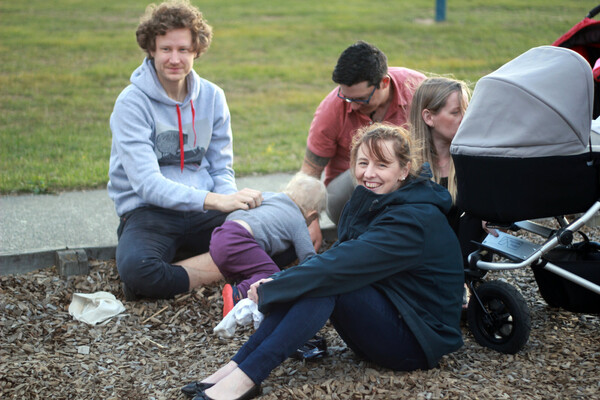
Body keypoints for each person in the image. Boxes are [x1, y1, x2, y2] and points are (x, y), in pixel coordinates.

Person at [181, 123, 464, 400]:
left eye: (382, 164)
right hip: (392, 312)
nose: (369, 173)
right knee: (318, 281)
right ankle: (235, 368)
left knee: (328, 283)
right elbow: (336, 257)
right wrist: (280, 283)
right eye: (363, 162)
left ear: (403, 170)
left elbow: (341, 266)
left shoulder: (413, 220)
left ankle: (244, 380)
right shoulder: (372, 199)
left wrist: (273, 285)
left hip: (417, 340)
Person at [107, 0, 263, 300]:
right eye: (166, 49)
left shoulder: (213, 97)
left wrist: (231, 205)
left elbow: (221, 167)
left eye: (183, 49)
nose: (174, 59)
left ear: (196, 50)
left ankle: (181, 272)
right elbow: (147, 184)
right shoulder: (132, 103)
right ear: (151, 49)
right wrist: (215, 201)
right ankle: (224, 263)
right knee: (138, 271)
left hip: (206, 212)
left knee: (274, 233)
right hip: (150, 213)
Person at [301, 40, 426, 250]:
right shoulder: (331, 109)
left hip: (410, 185)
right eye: (346, 97)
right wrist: (309, 219)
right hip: (349, 197)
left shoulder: (417, 89)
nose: (352, 104)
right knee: (369, 169)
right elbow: (309, 173)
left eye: (360, 98)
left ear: (384, 83)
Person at [210, 172, 327, 317]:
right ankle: (237, 295)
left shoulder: (270, 196)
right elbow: (308, 258)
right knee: (271, 274)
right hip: (239, 239)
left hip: (220, 234)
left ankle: (243, 283)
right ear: (313, 215)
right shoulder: (298, 220)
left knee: (256, 262)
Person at [409, 77, 497, 267]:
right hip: (421, 260)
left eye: (467, 110)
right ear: (428, 117)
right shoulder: (407, 164)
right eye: (456, 112)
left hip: (467, 257)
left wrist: (491, 210)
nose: (466, 118)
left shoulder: (476, 157)